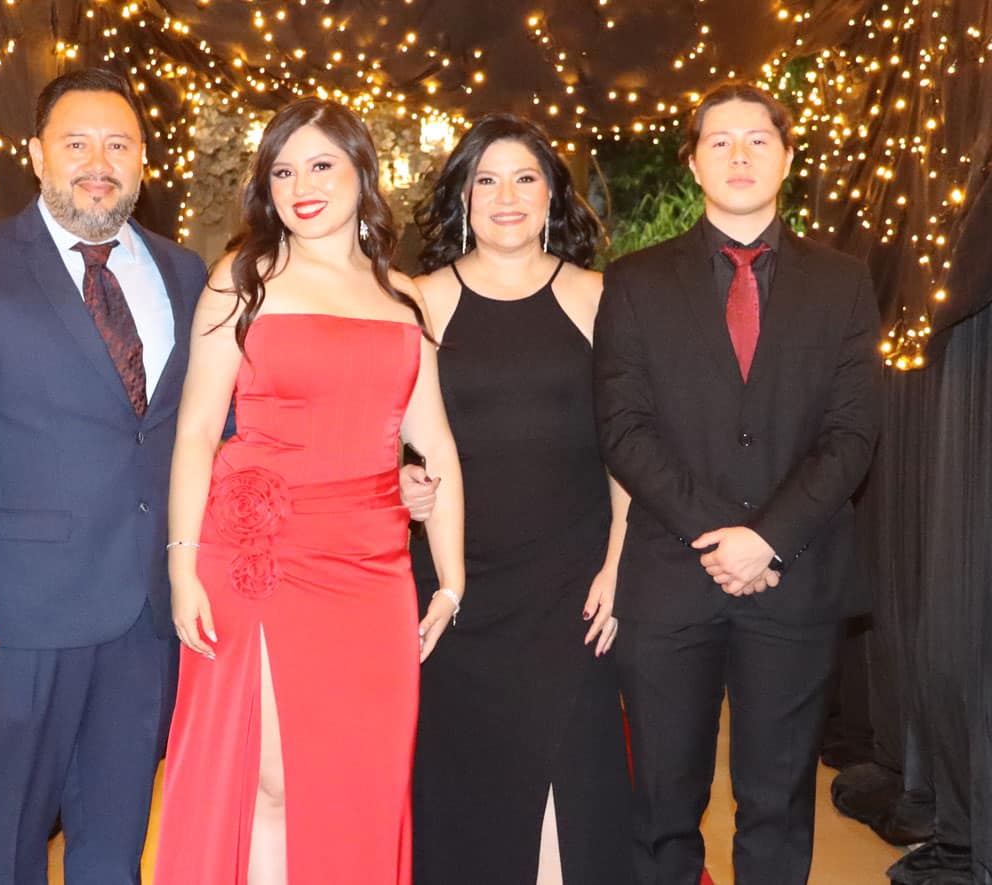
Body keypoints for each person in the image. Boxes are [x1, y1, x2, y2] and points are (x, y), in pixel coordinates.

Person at [0, 69, 206, 883]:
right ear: (37, 156)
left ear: (143, 160)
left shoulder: (186, 274)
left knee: (116, 835)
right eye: (77, 144)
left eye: (118, 145)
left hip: (147, 614)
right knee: (12, 838)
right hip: (15, 614)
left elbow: (214, 427)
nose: (98, 163)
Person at [153, 98, 465, 885]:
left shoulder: (404, 297)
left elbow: (436, 445)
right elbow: (196, 431)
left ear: (363, 172)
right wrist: (182, 565)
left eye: (322, 164)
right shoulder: (243, 280)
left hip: (373, 569)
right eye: (283, 171)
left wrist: (452, 579)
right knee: (270, 780)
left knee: (358, 783)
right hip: (260, 559)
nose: (302, 186)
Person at [593, 82, 882, 884]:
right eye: (718, 141)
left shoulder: (844, 282)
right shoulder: (636, 280)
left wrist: (767, 538)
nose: (740, 155)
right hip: (669, 577)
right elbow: (623, 427)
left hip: (795, 578)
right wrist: (718, 536)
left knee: (778, 810)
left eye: (758, 138)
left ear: (788, 157)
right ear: (692, 163)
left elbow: (852, 433)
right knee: (661, 813)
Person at [406, 114, 634, 885]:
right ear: (462, 197)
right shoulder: (419, 301)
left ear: (552, 195)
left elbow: (628, 449)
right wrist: (399, 480)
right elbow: (384, 433)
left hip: (573, 586)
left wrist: (618, 565)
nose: (507, 196)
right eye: (487, 180)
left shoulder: (601, 298)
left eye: (526, 178)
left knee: (572, 784)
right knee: (466, 787)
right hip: (456, 588)